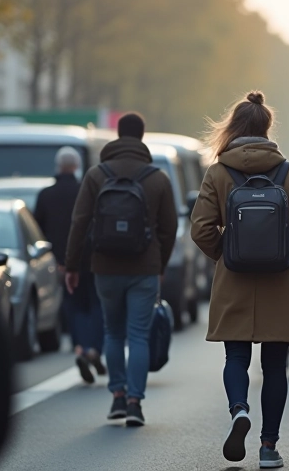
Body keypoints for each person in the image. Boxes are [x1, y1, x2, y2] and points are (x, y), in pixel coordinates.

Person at [191, 91, 289, 469]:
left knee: (235, 356)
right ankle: (268, 447)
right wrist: (287, 255)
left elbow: (201, 229)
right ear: (267, 127)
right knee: (275, 364)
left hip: (233, 279)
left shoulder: (218, 172)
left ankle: (238, 411)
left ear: (234, 127)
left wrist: (226, 254)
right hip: (280, 282)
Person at [64, 112, 178, 426]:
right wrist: (160, 263)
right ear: (142, 137)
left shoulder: (96, 175)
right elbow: (169, 228)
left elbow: (79, 223)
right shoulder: (157, 178)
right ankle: (134, 403)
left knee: (113, 333)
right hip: (144, 268)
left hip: (105, 266)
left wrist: (72, 265)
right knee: (138, 336)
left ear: (117, 134)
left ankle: (116, 395)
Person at [35, 146, 106, 383]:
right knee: (96, 304)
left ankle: (80, 348)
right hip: (91, 259)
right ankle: (95, 349)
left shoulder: (45, 195)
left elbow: (39, 231)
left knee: (73, 306)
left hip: (62, 263)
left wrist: (56, 258)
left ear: (58, 166)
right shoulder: (85, 190)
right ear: (76, 166)